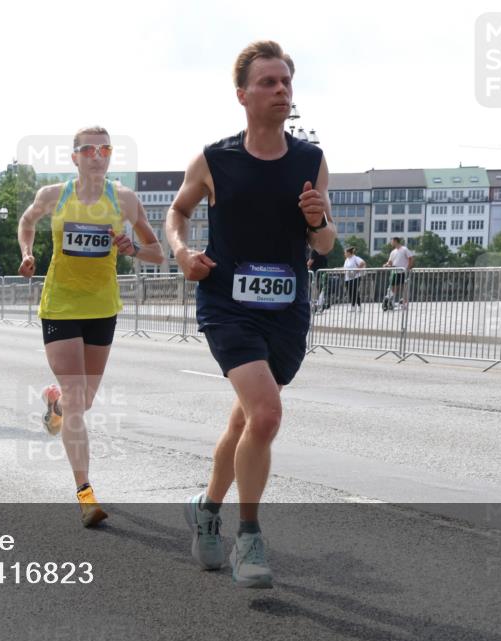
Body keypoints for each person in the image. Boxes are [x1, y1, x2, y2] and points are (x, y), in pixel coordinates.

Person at [166, 41, 335, 588]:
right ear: (242, 95)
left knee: (245, 421)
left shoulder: (311, 161)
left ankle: (206, 508)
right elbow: (178, 211)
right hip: (227, 305)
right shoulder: (215, 160)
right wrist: (182, 252)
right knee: (265, 415)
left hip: (287, 311)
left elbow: (327, 243)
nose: (281, 90)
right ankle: (250, 538)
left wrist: (317, 221)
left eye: (286, 81)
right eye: (268, 82)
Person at [18, 126, 163, 528]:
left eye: (105, 148)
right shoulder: (55, 196)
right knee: (78, 397)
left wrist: (132, 248)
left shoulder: (125, 200)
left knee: (82, 402)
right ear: (75, 157)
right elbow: (26, 221)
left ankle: (56, 406)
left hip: (102, 307)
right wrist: (27, 253)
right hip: (61, 305)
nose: (98, 155)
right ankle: (85, 492)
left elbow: (157, 252)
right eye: (89, 149)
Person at [383, 237, 414, 309]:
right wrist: (386, 265)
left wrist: (408, 268)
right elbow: (390, 262)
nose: (391, 243)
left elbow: (411, 258)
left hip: (403, 271)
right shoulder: (393, 252)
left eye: (392, 241)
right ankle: (391, 302)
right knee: (393, 287)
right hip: (395, 271)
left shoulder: (404, 249)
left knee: (404, 287)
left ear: (396, 241)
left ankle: (404, 303)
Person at [307, 248, 329, 312]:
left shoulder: (314, 250)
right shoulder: (322, 249)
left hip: (316, 272)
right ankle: (320, 304)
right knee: (321, 288)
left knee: (316, 288)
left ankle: (318, 305)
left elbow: (310, 261)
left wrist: (304, 267)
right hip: (322, 270)